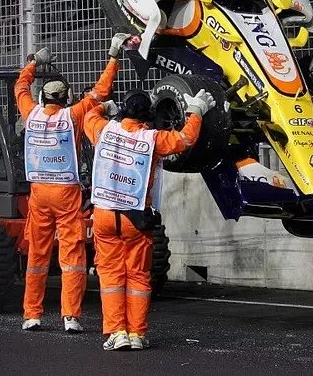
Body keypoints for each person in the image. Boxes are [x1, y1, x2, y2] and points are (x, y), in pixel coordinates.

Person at [83, 86, 216, 350]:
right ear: (148, 114)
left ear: (123, 111)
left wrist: (104, 107)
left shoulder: (102, 130)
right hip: (137, 219)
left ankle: (116, 332)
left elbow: (88, 115)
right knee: (138, 277)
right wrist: (196, 111)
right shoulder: (152, 139)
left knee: (110, 276)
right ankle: (136, 334)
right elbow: (186, 139)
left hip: (105, 215)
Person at [16, 32, 130, 334]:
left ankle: (32, 314)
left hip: (39, 195)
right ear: (66, 98)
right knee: (73, 258)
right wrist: (114, 57)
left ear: (44, 99)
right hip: (67, 196)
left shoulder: (31, 113)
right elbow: (99, 93)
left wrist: (34, 64)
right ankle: (70, 316)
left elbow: (20, 87)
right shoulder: (73, 116)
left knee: (37, 257)